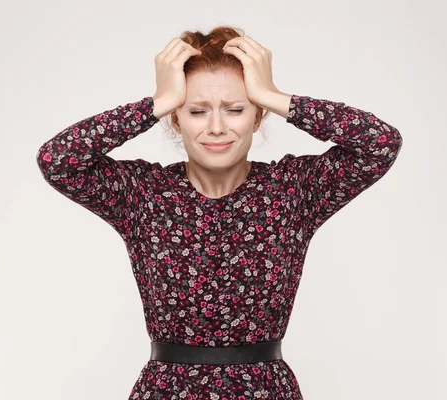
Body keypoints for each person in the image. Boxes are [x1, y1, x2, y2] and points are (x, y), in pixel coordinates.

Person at [36, 26, 402, 400]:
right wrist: (156, 104)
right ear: (176, 119)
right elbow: (57, 160)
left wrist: (274, 96)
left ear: (257, 117)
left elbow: (380, 144)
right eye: (196, 110)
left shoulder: (292, 190)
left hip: (266, 392)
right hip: (167, 392)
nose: (215, 127)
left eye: (236, 109)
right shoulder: (143, 194)